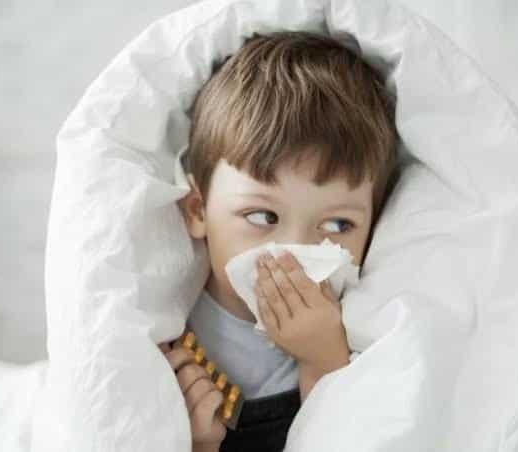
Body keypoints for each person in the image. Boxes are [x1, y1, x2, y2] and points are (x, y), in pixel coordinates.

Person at [159, 30, 398, 452]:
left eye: (337, 224)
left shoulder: (363, 331)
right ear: (198, 210)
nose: (294, 250)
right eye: (262, 216)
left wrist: (322, 360)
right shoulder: (167, 322)